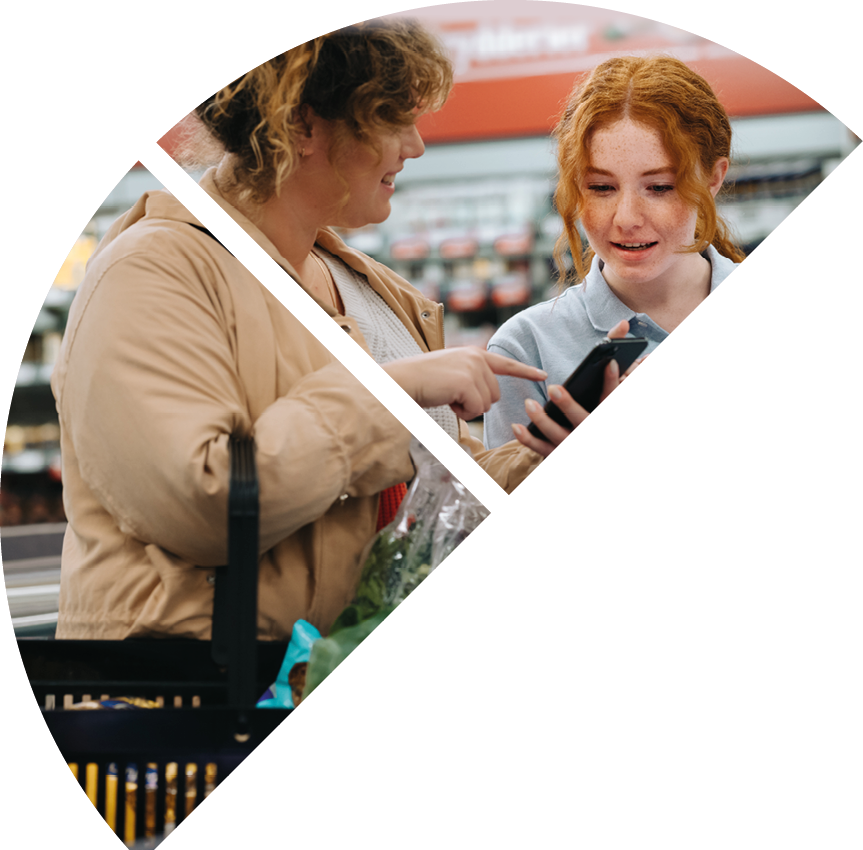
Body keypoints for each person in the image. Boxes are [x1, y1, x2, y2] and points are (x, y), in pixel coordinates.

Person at [52, 19, 556, 642]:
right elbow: (203, 505)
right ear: (302, 124)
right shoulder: (151, 271)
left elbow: (429, 492)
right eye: (392, 116)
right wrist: (390, 395)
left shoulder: (371, 289)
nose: (416, 145)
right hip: (212, 709)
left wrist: (544, 460)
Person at [483, 55, 745, 453]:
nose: (625, 219)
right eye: (601, 188)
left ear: (713, 177)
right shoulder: (525, 349)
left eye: (659, 187)